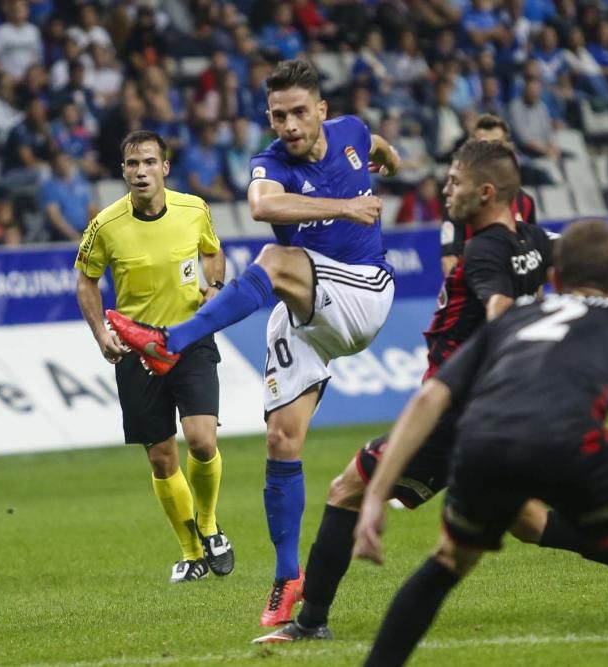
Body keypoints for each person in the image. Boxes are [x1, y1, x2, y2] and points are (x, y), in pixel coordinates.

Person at [253, 140, 608, 645]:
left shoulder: (485, 250)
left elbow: (500, 317)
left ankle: (311, 622)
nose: (446, 189)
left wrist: (502, 365)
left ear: (486, 192)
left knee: (347, 491)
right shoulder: (534, 239)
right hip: (506, 418)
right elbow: (574, 260)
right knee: (530, 522)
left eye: (455, 182)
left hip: (460, 417)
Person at [354, 219, 608, 665]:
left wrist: (376, 496)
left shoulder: (510, 321)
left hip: (480, 447)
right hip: (569, 446)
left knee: (449, 559)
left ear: (554, 279)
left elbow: (431, 397)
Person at [106, 59, 401, 625]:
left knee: (273, 259)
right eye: (277, 115)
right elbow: (263, 205)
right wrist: (345, 205)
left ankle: (172, 341)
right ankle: (288, 580)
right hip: (305, 307)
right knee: (282, 442)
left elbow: (374, 143)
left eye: (298, 113)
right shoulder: (269, 163)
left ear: (322, 111)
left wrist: (387, 157)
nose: (287, 125)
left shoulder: (352, 133)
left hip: (365, 291)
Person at [74, 130, 234, 584]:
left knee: (202, 440)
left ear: (165, 167)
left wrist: (215, 287)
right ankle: (191, 554)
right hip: (136, 348)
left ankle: (207, 525)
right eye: (131, 164)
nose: (140, 171)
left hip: (188, 336)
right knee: (162, 458)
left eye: (148, 162)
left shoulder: (194, 209)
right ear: (122, 170)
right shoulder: (105, 225)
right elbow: (86, 281)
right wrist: (100, 333)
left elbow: (213, 250)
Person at [440, 114, 537, 276]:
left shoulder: (525, 202)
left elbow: (534, 259)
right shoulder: (459, 201)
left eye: (497, 145)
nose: (491, 153)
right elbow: (449, 259)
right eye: (484, 145)